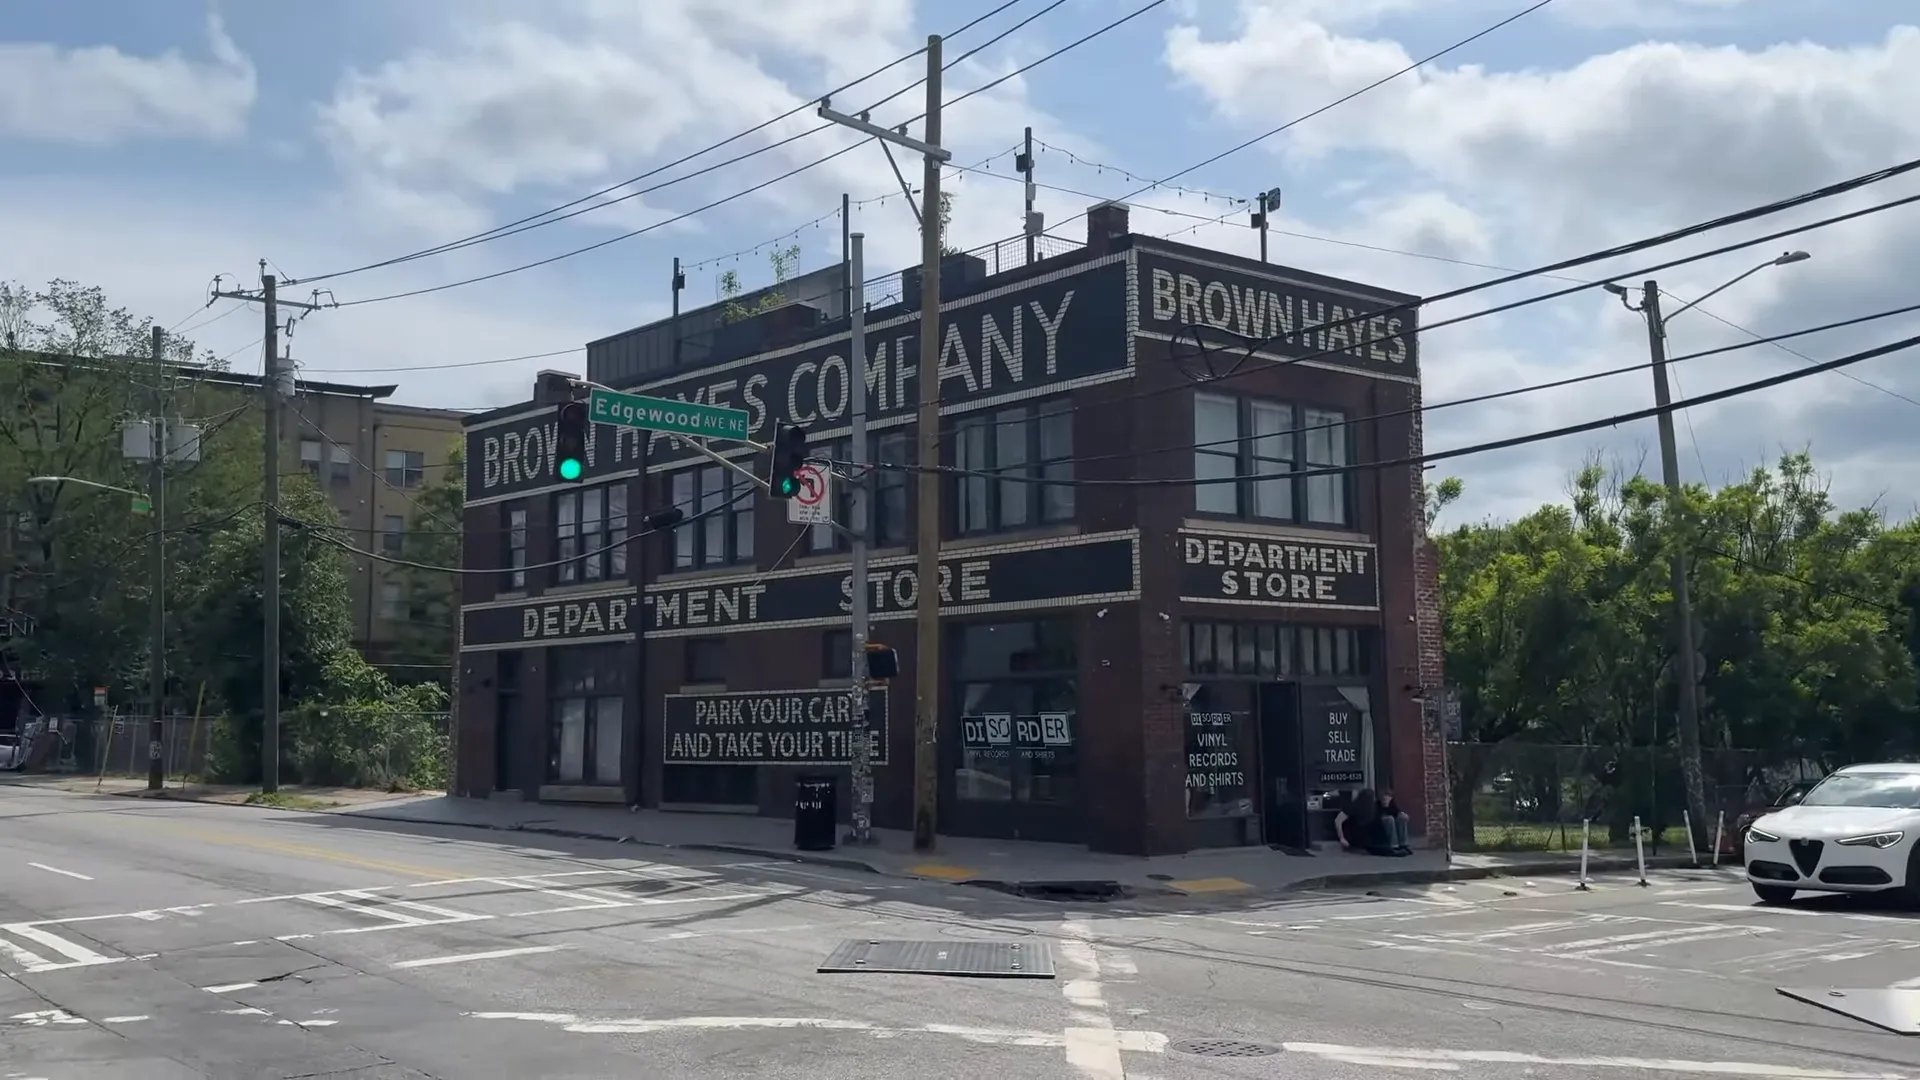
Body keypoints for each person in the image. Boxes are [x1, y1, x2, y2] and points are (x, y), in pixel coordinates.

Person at [1334, 788, 1395, 856]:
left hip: (1367, 836)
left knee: (1383, 820)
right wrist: (1342, 838)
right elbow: (1338, 820)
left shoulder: (1372, 807)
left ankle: (1388, 847)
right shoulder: (1353, 806)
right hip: (1355, 835)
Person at [1378, 788, 1413, 856]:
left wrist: (1403, 814)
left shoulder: (1392, 805)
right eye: (1384, 799)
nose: (1385, 801)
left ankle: (1403, 844)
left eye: (1387, 799)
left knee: (1401, 818)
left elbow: (1397, 812)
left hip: (1392, 822)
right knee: (1390, 819)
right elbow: (1378, 816)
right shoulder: (1378, 805)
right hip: (1382, 823)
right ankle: (1394, 845)